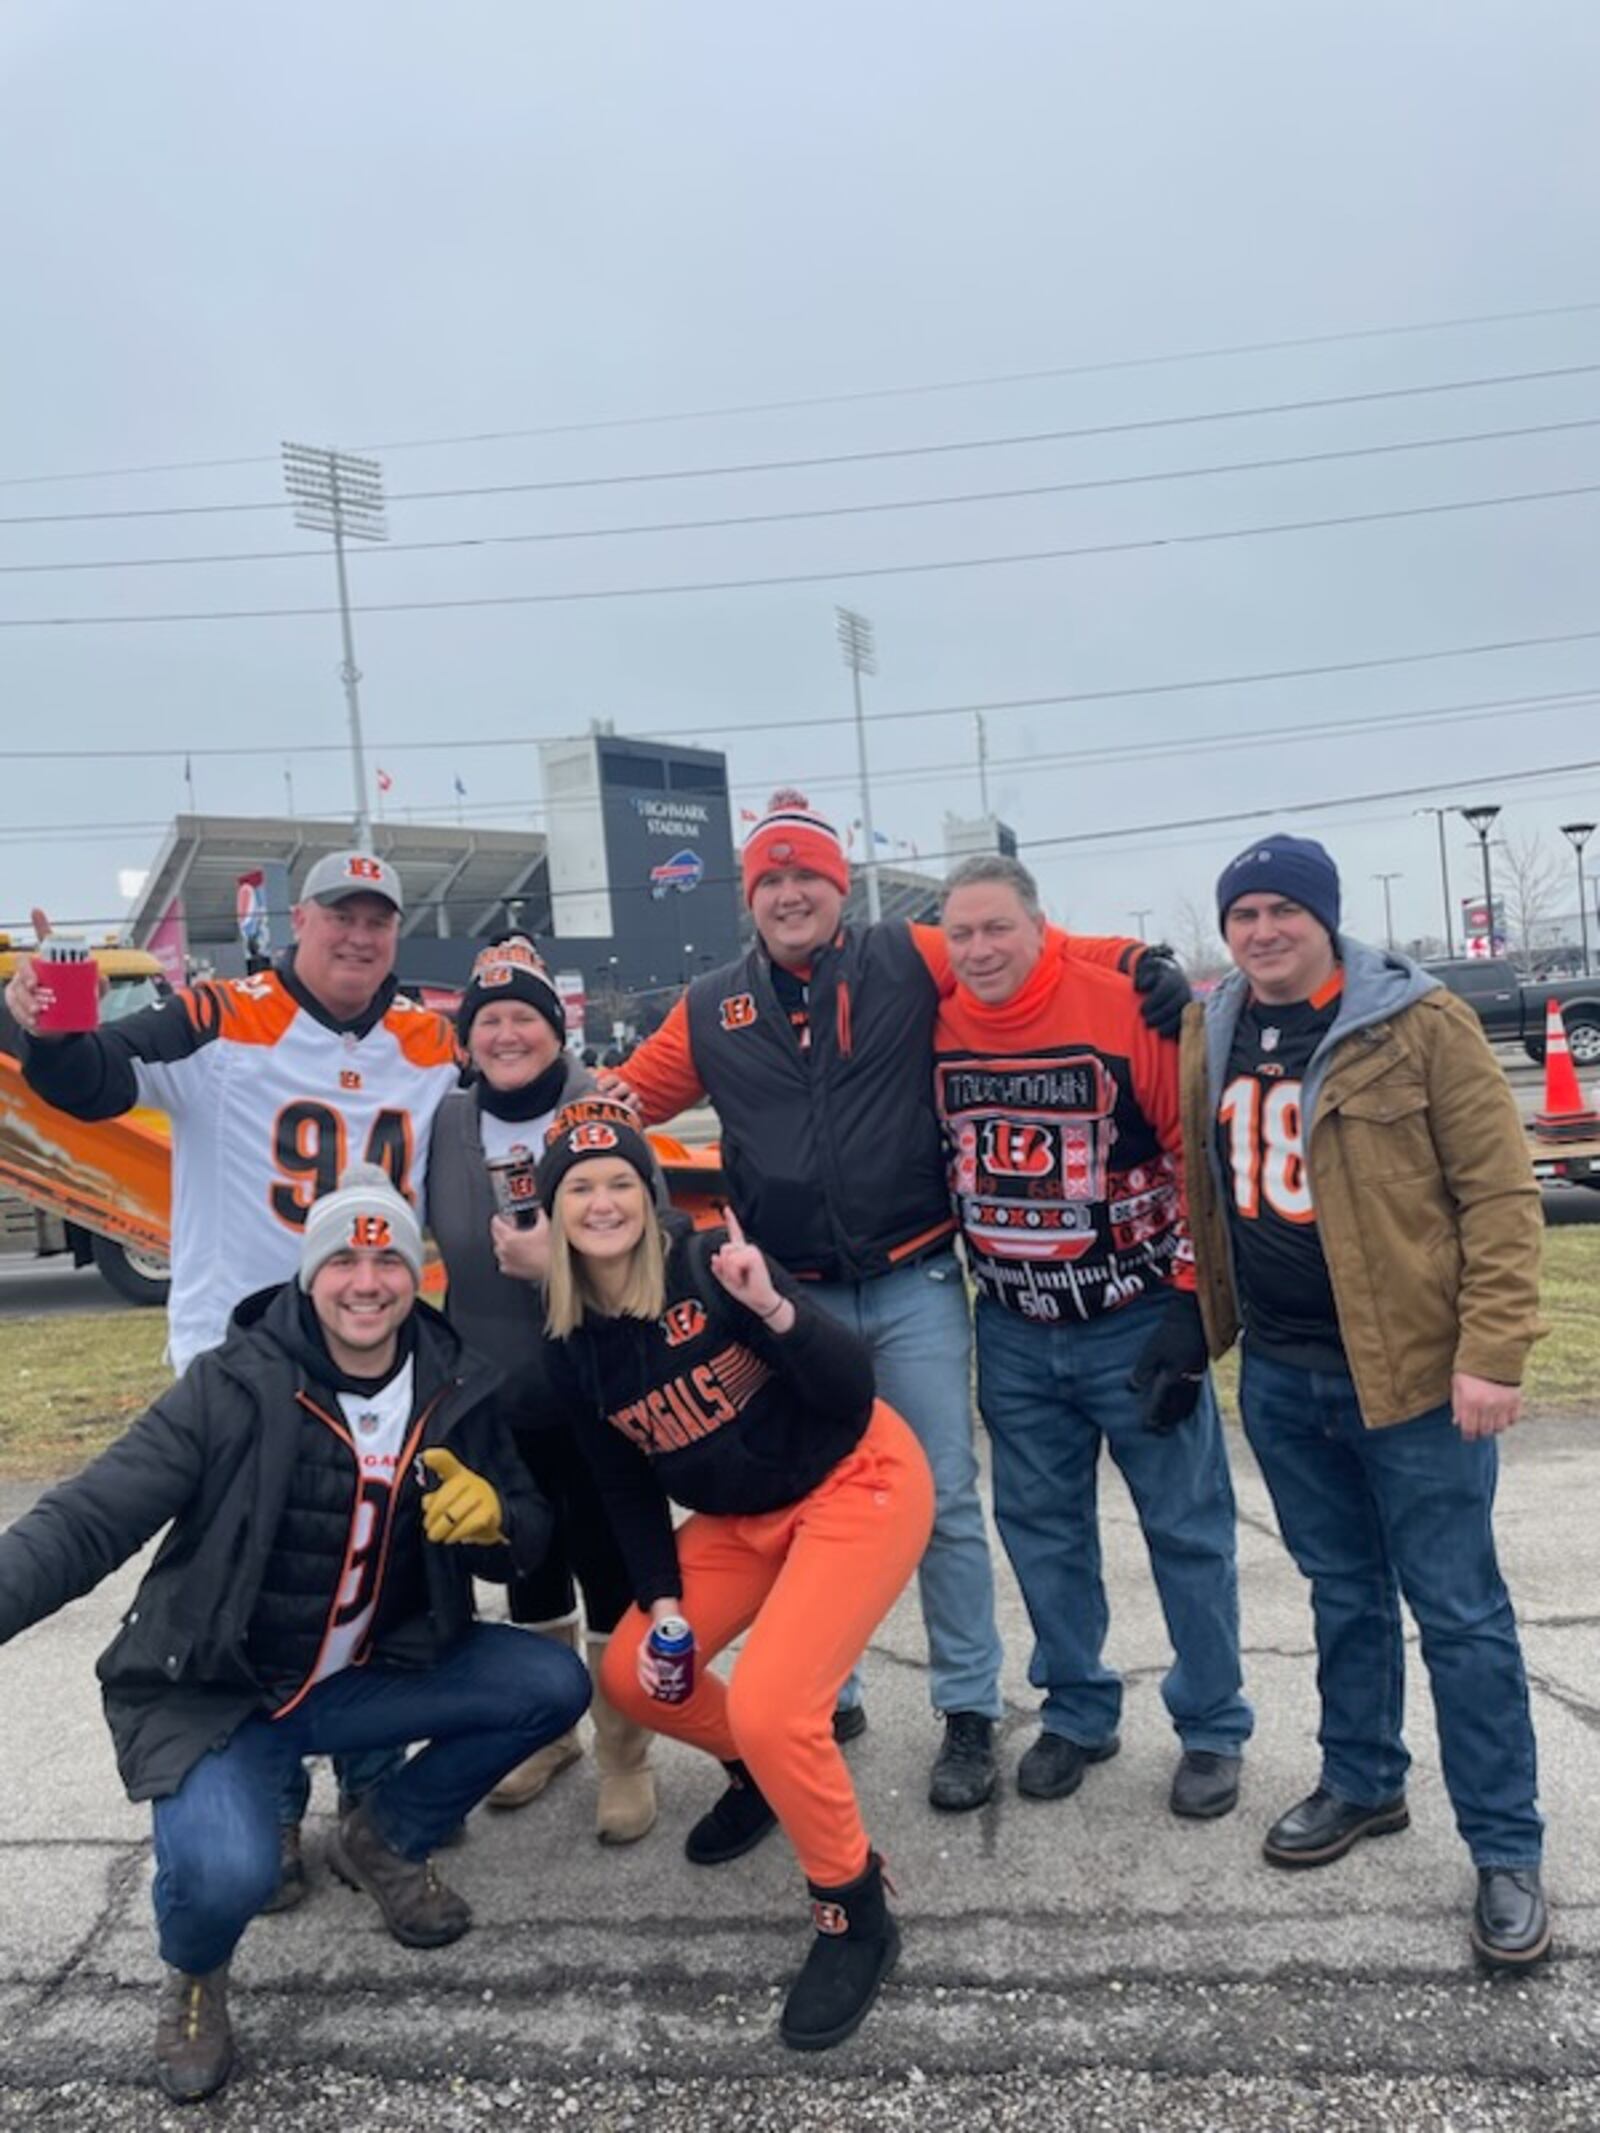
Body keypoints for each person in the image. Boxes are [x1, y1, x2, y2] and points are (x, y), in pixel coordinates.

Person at [603, 791, 1187, 1811]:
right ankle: (828, 1690)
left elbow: (1017, 936)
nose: (790, 895)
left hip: (915, 1279)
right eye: (771, 880)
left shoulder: (904, 957)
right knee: (799, 1501)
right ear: (751, 897)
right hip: (785, 1303)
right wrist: (507, 1100)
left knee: (941, 1505)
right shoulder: (709, 1006)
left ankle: (966, 1707)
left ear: (840, 888)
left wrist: (1136, 962)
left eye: (808, 878)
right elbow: (616, 1104)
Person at [0, 1164, 590, 2103]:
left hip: (369, 1680)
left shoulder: (458, 1384)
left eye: (388, 1256)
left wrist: (502, 1524)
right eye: (343, 1258)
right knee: (226, 1875)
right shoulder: (231, 1385)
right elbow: (87, 1518)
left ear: (415, 1274)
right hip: (228, 1695)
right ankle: (195, 1972)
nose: (367, 1278)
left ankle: (383, 1836)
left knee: (551, 1687)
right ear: (309, 1276)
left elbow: (525, 1532)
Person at [5, 854, 464, 1893]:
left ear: (396, 933)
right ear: (298, 921)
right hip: (243, 1359)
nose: (357, 937)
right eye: (339, 916)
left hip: (382, 1343)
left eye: (377, 921)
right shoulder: (222, 1015)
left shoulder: (432, 1039)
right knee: (255, 1583)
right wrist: (47, 1005)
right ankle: (273, 1801)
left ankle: (373, 1797)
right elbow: (86, 1080)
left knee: (377, 1575)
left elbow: (523, 1095)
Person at [1184, 833, 1549, 1968]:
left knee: (1459, 1614)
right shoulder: (1219, 1023)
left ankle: (1504, 1847)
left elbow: (1498, 1193)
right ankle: (1362, 1782)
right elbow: (1205, 1184)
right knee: (1341, 1594)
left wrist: (1492, 1351)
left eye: (1283, 911)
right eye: (1243, 914)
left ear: (1325, 919)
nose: (1262, 931)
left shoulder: (1419, 1021)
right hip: (1283, 1376)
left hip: (1413, 1378)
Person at [531, 1097, 935, 2051]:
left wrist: (775, 1306)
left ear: (649, 1191)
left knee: (774, 1700)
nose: (601, 1200)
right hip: (741, 1517)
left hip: (855, 1477)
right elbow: (625, 1482)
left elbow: (851, 1386)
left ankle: (854, 1908)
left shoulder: (713, 1265)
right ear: (553, 1213)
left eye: (620, 1181)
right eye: (579, 1186)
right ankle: (758, 1777)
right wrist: (664, 1602)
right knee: (632, 1671)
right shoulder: (570, 1335)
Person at [934, 855, 1251, 1816]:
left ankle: (1211, 1725)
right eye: (963, 933)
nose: (981, 949)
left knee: (1186, 1529)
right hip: (1016, 1327)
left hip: (1134, 1320)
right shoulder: (936, 1008)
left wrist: (1191, 1310)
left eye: (1000, 928)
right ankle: (1076, 1707)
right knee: (1040, 1529)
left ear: (1043, 927)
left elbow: (1200, 1157)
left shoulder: (1122, 1009)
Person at [427, 934, 656, 1842]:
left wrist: (552, 1258)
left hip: (594, 1380)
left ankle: (624, 1752)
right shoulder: (444, 1122)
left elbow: (658, 1232)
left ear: (558, 1030)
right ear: (467, 1038)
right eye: (489, 1020)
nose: (508, 1033)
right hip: (490, 1385)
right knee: (526, 1562)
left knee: (609, 1565)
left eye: (526, 1015)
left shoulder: (598, 1104)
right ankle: (546, 1728)